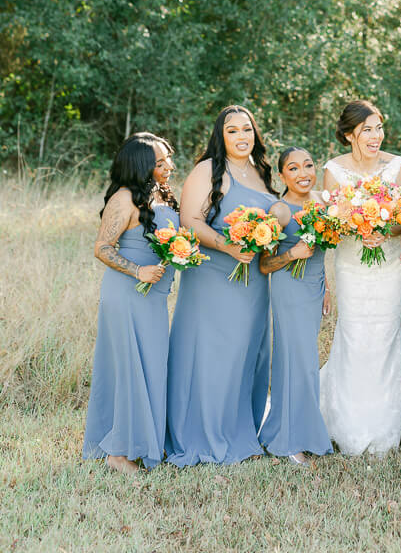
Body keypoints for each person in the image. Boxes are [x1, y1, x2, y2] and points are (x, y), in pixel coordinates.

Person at [165, 105, 276, 465]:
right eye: (233, 131)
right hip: (212, 275)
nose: (242, 137)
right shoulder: (207, 170)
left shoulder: (261, 172)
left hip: (253, 281)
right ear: (221, 135)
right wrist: (226, 243)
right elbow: (190, 220)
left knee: (246, 354)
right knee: (212, 353)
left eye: (247, 129)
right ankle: (203, 435)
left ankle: (240, 433)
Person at [319, 99, 401, 455]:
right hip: (351, 264)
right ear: (349, 135)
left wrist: (386, 230)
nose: (376, 136)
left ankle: (386, 426)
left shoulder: (399, 167)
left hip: (390, 266)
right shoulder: (334, 170)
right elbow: (332, 220)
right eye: (366, 131)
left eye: (379, 128)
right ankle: (348, 424)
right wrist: (356, 229)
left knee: (387, 335)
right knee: (354, 334)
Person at [83, 132, 179, 474]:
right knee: (129, 369)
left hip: (153, 297)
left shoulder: (160, 194)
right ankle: (118, 453)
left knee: (150, 366)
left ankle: (143, 442)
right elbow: (103, 247)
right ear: (139, 165)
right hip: (127, 293)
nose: (168, 166)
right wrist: (138, 270)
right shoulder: (124, 199)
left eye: (168, 158)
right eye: (159, 162)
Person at [259, 146, 333, 465]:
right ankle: (288, 440)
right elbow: (265, 265)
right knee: (296, 361)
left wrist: (326, 287)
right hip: (289, 289)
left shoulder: (321, 203)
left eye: (308, 165)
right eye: (293, 168)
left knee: (306, 359)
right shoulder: (280, 210)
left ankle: (298, 430)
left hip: (314, 287)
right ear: (281, 175)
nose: (303, 173)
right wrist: (291, 254)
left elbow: (320, 250)